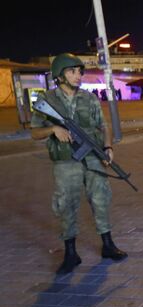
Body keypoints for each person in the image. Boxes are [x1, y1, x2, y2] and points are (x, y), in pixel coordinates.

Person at [30, 53, 127, 274]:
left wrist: (108, 147)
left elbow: (104, 127)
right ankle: (71, 253)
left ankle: (108, 245)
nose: (78, 75)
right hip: (66, 162)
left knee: (100, 198)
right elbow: (34, 133)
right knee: (67, 205)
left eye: (79, 71)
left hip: (92, 157)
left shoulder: (89, 98)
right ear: (60, 75)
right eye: (72, 71)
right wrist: (53, 129)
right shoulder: (48, 101)